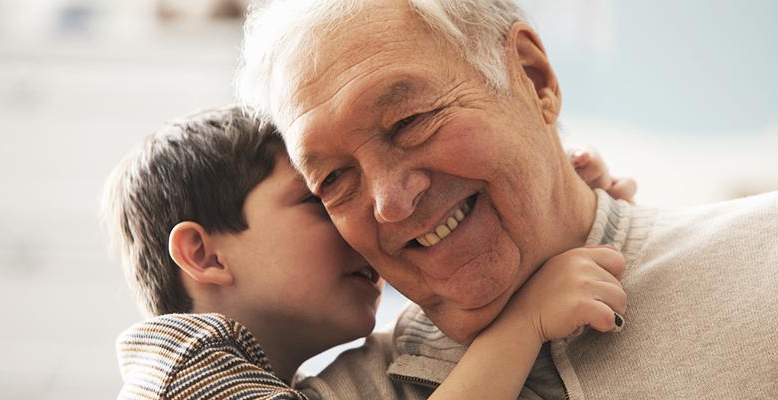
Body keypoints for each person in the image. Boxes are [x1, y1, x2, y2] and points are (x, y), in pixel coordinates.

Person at [235, 0, 778, 399]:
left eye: (409, 122)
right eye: (334, 181)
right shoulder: (339, 394)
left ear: (534, 79)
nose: (390, 203)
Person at [102, 105, 633, 399]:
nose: (364, 221)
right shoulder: (183, 372)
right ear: (204, 254)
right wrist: (526, 321)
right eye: (322, 197)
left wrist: (558, 210)